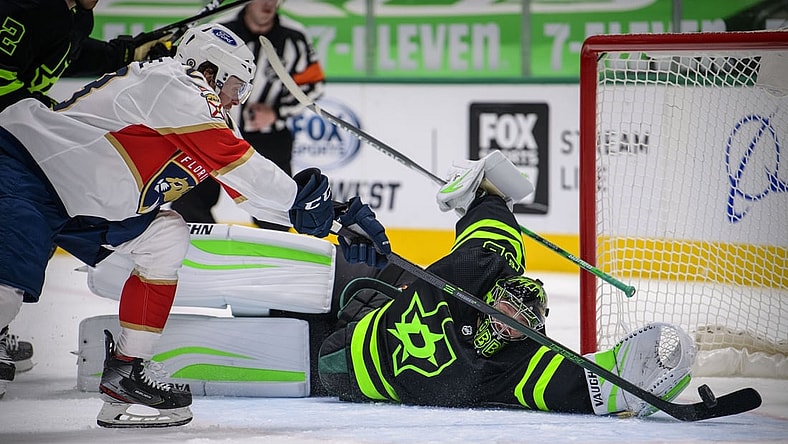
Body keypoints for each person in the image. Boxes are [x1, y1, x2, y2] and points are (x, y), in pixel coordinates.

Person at [0, 22, 390, 427]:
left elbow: (251, 192)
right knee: (6, 294)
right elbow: (253, 173)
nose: (237, 100)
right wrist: (305, 203)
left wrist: (335, 218)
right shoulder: (170, 82)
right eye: (236, 85)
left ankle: (125, 372)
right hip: (25, 168)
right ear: (209, 69)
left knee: (164, 237)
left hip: (79, 202)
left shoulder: (202, 117)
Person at [317, 156, 696, 417]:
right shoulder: (477, 278)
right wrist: (488, 200)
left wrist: (620, 382)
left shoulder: (511, 364)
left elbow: (565, 380)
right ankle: (481, 198)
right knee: (491, 259)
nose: (506, 322)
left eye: (519, 322)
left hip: (342, 365)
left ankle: (481, 198)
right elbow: (491, 252)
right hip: (367, 318)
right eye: (505, 308)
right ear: (492, 297)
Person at [0, 0, 172, 394]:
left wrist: (123, 52)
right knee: (15, 234)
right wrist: (37, 109)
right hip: (10, 141)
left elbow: (61, 52)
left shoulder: (74, 14)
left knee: (29, 232)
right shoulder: (25, 5)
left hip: (18, 140)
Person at [171, 0, 325, 230]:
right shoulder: (220, 31)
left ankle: (273, 265)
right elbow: (188, 77)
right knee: (189, 203)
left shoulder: (294, 37)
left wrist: (276, 113)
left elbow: (314, 84)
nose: (269, 3)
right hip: (214, 132)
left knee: (277, 212)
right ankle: (211, 260)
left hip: (269, 138)